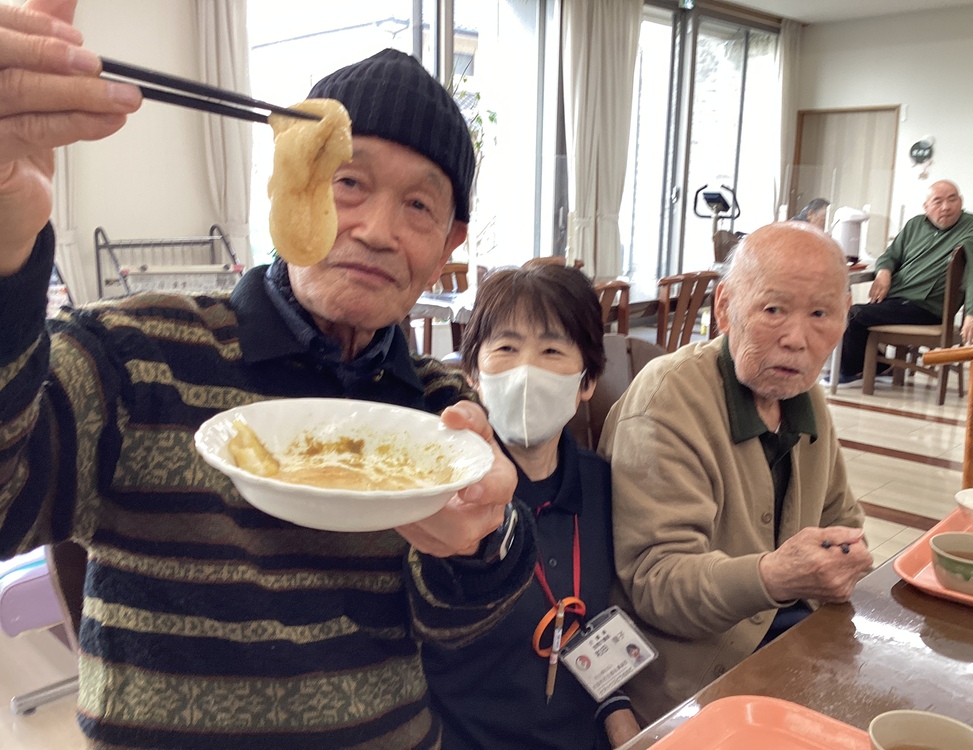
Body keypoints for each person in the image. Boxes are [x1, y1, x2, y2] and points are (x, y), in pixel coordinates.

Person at [0, 4, 536, 748]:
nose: (377, 230)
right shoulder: (137, 351)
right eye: (348, 182)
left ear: (448, 244)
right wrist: (6, 260)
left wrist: (483, 541)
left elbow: (465, 629)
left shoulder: (438, 414)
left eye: (418, 204)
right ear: (288, 187)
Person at [599, 222, 874, 724]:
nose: (796, 339)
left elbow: (843, 519)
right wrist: (774, 576)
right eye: (773, 309)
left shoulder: (804, 397)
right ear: (724, 307)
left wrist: (843, 559)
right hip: (690, 687)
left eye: (820, 314)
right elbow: (657, 582)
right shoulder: (669, 401)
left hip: (795, 651)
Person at [422, 265, 641, 749]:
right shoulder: (445, 495)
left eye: (551, 350)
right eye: (505, 348)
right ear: (473, 373)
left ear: (587, 382)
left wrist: (619, 714)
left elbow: (599, 626)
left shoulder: (605, 485)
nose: (526, 369)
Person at [837, 180, 973, 383]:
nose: (946, 207)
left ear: (961, 201)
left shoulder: (972, 227)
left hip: (927, 307)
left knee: (855, 314)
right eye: (938, 201)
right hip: (896, 299)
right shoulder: (915, 224)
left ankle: (851, 371)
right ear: (926, 207)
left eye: (952, 199)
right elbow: (891, 255)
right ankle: (878, 366)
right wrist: (884, 272)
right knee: (849, 313)